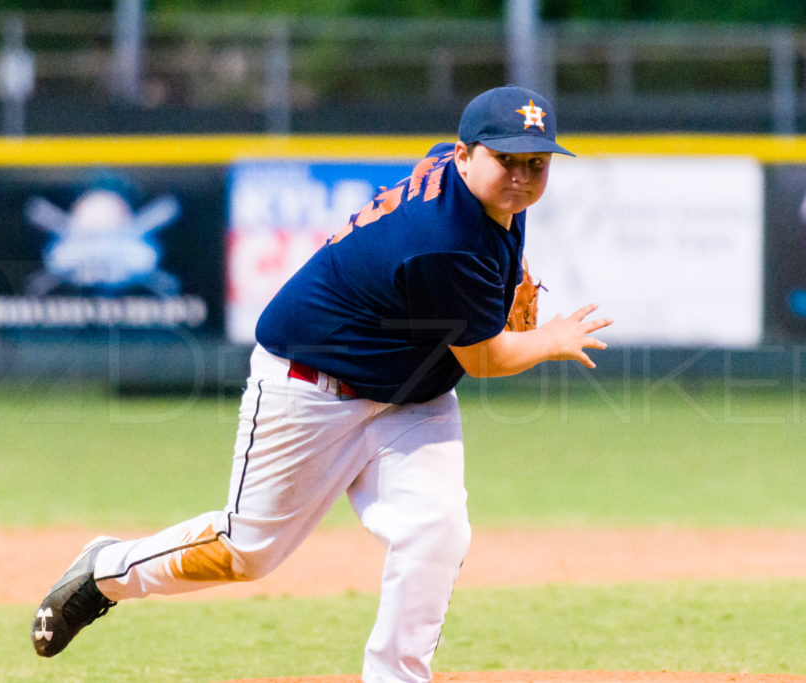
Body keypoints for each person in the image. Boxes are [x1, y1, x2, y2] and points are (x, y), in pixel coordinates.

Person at [30, 84, 612, 683]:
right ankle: (107, 570)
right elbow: (487, 359)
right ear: (465, 156)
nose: (520, 176)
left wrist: (510, 273)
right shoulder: (441, 243)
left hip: (410, 392)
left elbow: (488, 253)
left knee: (436, 529)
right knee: (246, 553)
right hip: (310, 386)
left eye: (535, 163)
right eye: (505, 159)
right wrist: (553, 338)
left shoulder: (461, 178)